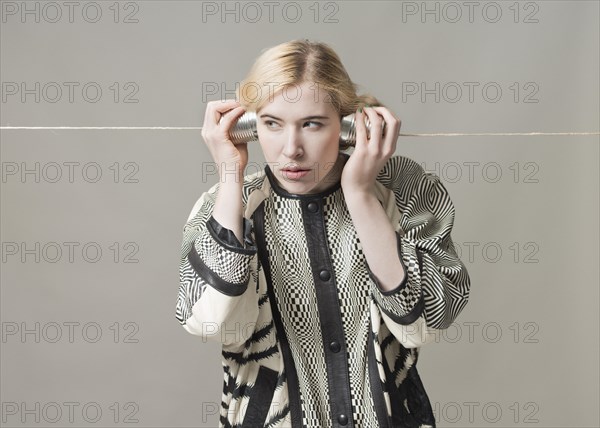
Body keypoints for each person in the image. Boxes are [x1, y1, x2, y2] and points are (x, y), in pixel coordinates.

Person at [175, 39, 471, 428]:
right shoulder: (227, 202)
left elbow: (427, 322)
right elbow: (209, 322)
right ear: (249, 126)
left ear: (348, 124)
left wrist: (361, 196)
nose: (291, 150)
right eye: (271, 124)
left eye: (312, 124)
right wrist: (229, 176)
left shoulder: (404, 186)